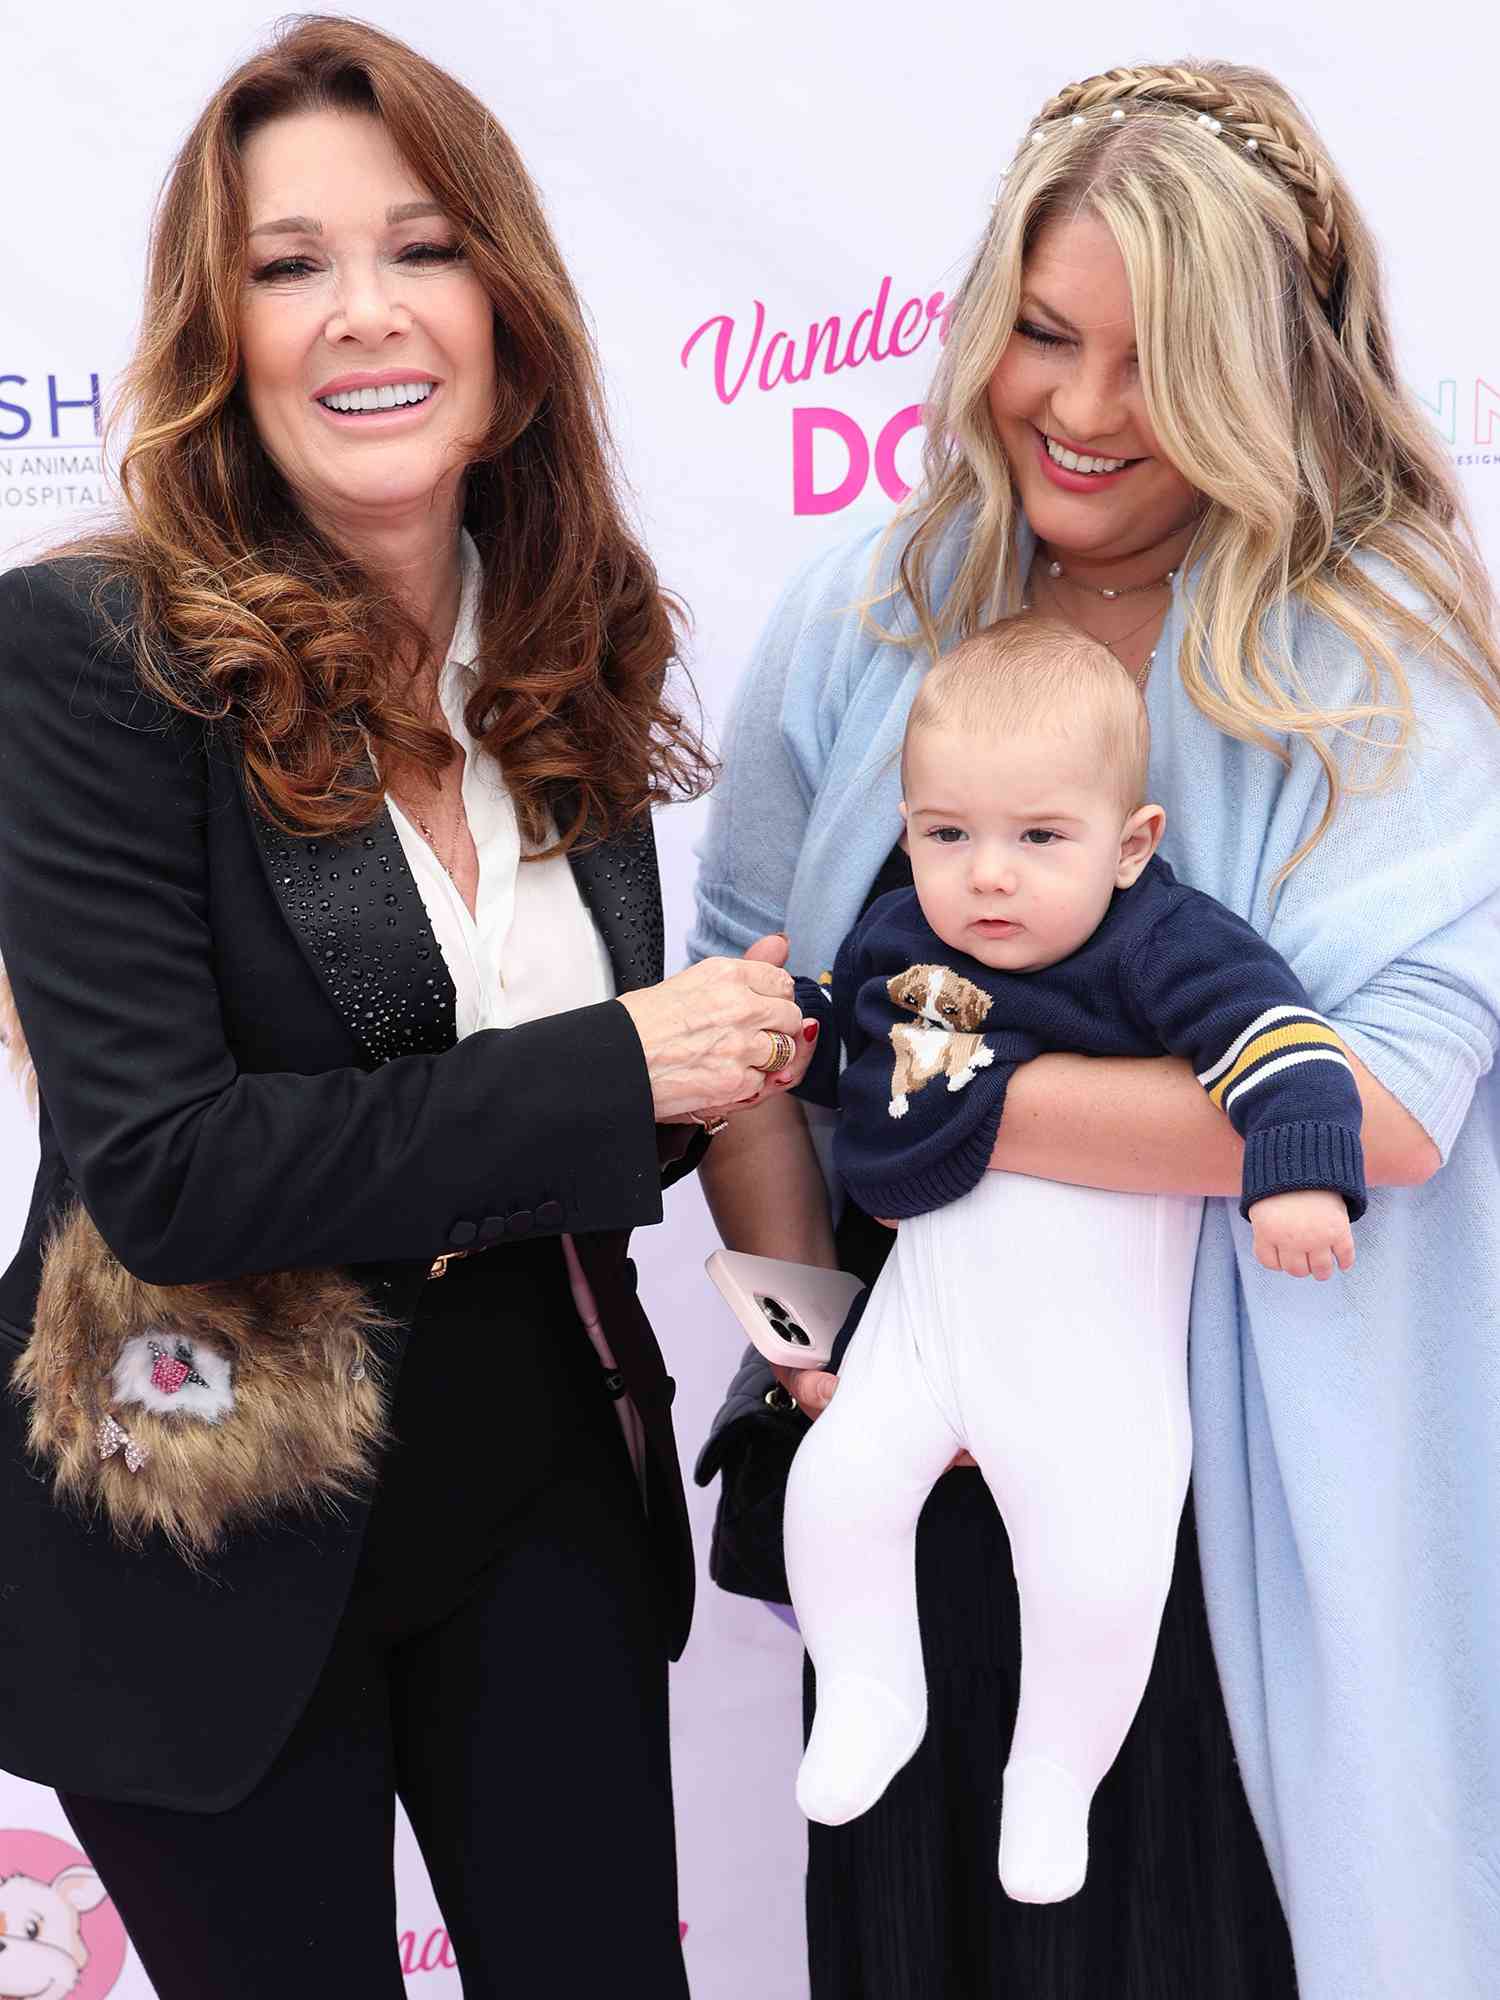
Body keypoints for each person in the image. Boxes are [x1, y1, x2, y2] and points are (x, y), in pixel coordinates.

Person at [0, 19, 804, 1999]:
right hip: (196, 1486)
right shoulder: (88, 657)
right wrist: (626, 1060)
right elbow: (172, 1173)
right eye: (289, 263)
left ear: (509, 313)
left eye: (420, 244)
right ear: (225, 329)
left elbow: (632, 1106)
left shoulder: (565, 642)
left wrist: (812, 1273)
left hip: (536, 1452)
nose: (362, 310)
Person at [690, 58, 1500, 2000]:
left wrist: (941, 1089)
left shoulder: (1368, 649)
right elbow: (747, 1004)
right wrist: (814, 1337)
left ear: (1273, 370)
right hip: (926, 1449)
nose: (1076, 406)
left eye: (1156, 361)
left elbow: (1384, 1103)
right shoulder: (871, 606)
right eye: (1043, 334)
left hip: (1244, 1508)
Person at [777, 618, 1364, 1907]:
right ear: (910, 825)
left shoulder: (1159, 947)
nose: (989, 878)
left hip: (1090, 1367)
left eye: (1041, 839)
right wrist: (785, 1031)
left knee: (1100, 1574)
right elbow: (865, 1055)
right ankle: (871, 1688)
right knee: (832, 1497)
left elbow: (1283, 1044)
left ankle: (1056, 1773)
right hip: (920, 1329)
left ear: (1132, 841)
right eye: (948, 834)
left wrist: (1303, 1169)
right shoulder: (897, 938)